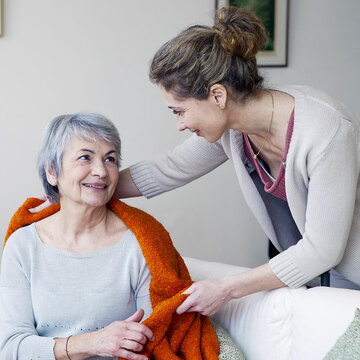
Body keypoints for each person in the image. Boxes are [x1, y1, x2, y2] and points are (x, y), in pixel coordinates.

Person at [32, 6, 360, 318]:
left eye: (180, 110)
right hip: (312, 279)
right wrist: (77, 188)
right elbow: (167, 169)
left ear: (218, 96)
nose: (180, 124)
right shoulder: (233, 128)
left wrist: (226, 288)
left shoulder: (325, 131)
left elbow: (322, 250)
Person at [0, 113, 154, 360]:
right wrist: (93, 343)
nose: (101, 171)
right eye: (85, 157)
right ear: (52, 171)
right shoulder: (23, 245)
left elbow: (153, 338)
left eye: (110, 159)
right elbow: (10, 349)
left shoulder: (141, 244)